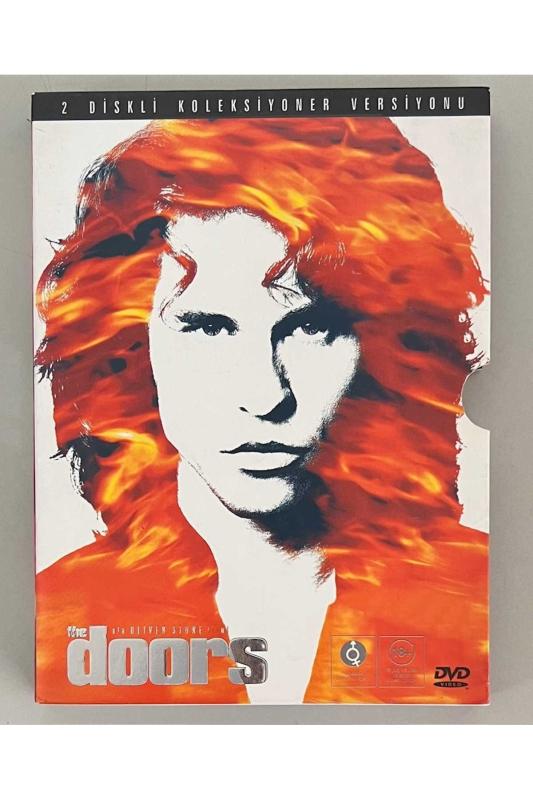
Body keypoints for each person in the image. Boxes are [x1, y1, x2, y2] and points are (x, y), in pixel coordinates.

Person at [35, 116, 489, 704]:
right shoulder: (58, 629)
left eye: (312, 328)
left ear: (388, 344)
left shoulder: (485, 606)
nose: (266, 395)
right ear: (128, 348)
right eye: (208, 327)